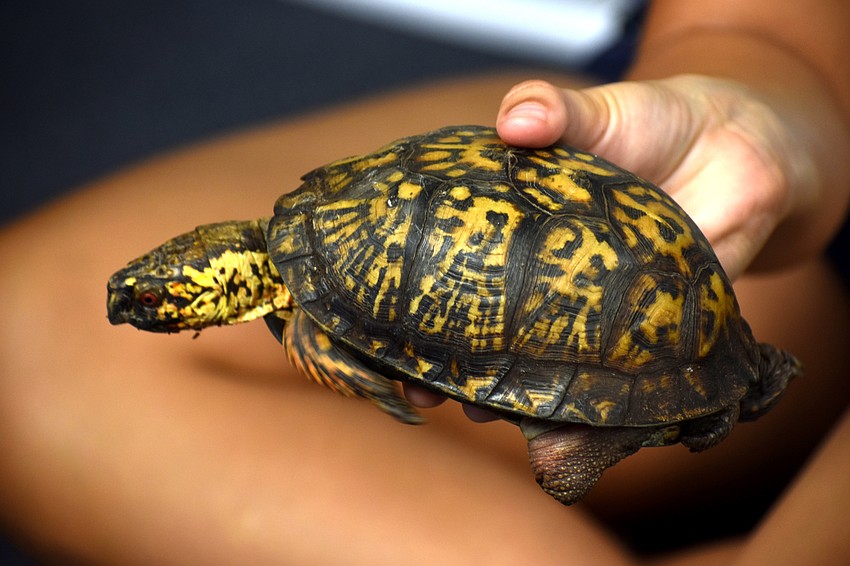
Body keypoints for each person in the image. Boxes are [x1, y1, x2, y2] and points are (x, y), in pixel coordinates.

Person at [1, 0, 848, 563]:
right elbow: (772, 26)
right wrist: (765, 115)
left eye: (162, 294)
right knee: (22, 352)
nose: (151, 302)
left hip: (686, 300)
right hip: (766, 164)